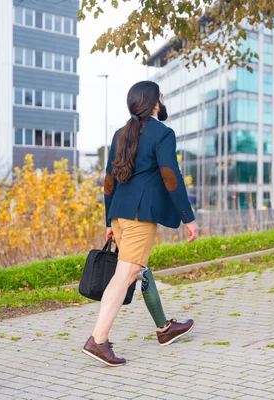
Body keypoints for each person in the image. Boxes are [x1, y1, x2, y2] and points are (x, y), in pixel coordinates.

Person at [83, 81, 200, 367]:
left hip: (121, 214)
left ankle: (164, 329)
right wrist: (189, 217)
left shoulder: (121, 133)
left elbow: (109, 180)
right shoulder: (163, 133)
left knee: (140, 270)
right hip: (139, 217)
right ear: (155, 102)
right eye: (161, 95)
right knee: (124, 276)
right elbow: (170, 176)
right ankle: (98, 340)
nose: (163, 98)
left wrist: (109, 219)